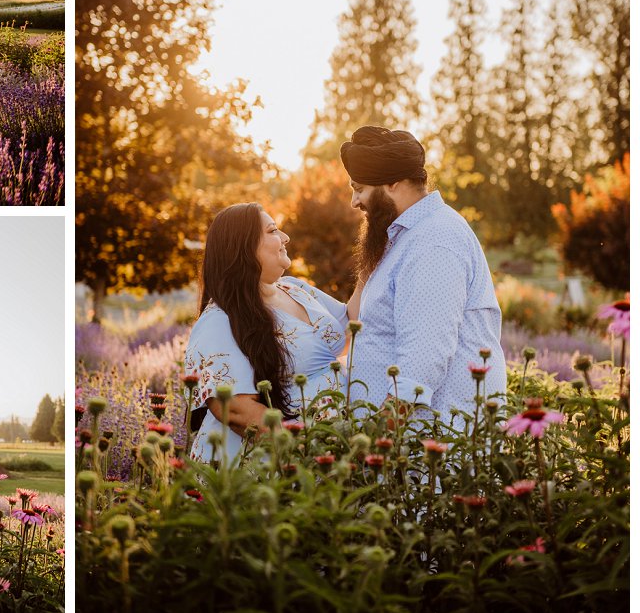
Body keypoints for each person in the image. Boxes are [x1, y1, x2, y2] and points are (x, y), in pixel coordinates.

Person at [340, 125, 506, 419]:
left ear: (392, 183)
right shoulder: (403, 237)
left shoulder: (434, 240)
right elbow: (361, 318)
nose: (354, 202)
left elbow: (423, 360)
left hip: (431, 445)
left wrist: (377, 437)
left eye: (359, 189)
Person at [184, 203, 360, 464]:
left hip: (328, 457)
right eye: (273, 230)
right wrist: (303, 455)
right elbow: (235, 410)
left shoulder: (294, 288)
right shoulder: (219, 319)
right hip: (269, 467)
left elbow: (350, 326)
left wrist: (372, 258)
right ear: (244, 247)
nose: (285, 237)